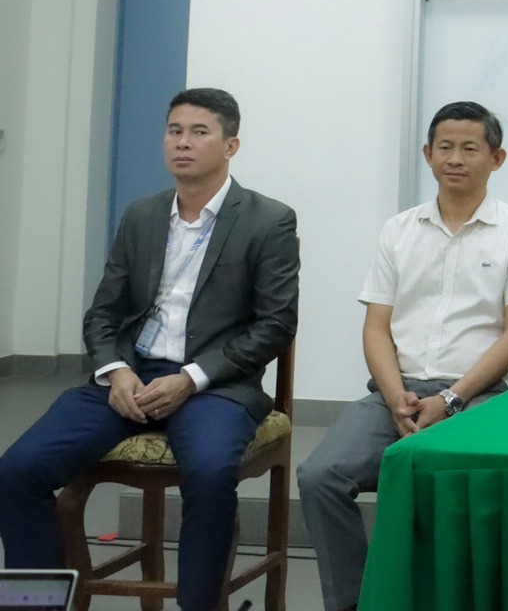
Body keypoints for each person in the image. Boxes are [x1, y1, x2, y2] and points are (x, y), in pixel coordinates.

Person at [0, 88, 299, 611]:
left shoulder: (267, 220)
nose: (182, 143)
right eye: (174, 131)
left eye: (199, 132)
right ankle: (35, 605)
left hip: (214, 385)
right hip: (131, 377)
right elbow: (102, 314)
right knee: (16, 470)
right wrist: (115, 371)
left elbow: (276, 324)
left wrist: (191, 378)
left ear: (231, 146)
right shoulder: (142, 215)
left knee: (210, 474)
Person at [297, 101, 508, 611]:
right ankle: (357, 602)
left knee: (461, 480)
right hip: (398, 394)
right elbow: (376, 328)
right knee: (319, 476)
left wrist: (452, 399)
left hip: (481, 398)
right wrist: (396, 398)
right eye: (444, 147)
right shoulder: (399, 229)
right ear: (427, 154)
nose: (454, 158)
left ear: (496, 158)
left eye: (469, 148)